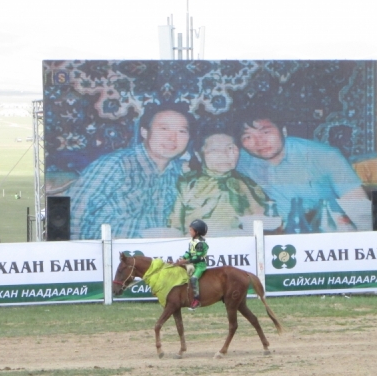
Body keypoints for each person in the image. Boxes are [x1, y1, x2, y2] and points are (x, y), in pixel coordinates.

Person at [235, 107, 372, 231]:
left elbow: (360, 211)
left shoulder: (324, 156)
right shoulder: (240, 159)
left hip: (331, 229)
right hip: (280, 234)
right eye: (248, 137)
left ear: (284, 131)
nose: (259, 142)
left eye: (265, 132)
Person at [68, 103, 193, 239]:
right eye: (164, 129)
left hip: (154, 256)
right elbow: (72, 213)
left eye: (181, 131)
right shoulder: (117, 164)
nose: (172, 138)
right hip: (106, 254)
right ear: (144, 132)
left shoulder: (179, 173)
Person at [169, 125, 269, 236]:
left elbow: (267, 225)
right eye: (214, 150)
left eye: (230, 148)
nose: (224, 155)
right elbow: (173, 229)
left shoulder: (250, 184)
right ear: (198, 154)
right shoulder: (184, 184)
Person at [176, 219, 209, 309]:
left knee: (194, 279)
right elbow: (189, 253)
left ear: (197, 232)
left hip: (200, 265)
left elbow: (197, 258)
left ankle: (197, 300)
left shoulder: (201, 244)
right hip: (192, 264)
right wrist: (183, 257)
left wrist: (185, 261)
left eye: (191, 230)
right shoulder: (192, 241)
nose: (189, 232)